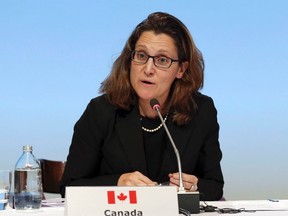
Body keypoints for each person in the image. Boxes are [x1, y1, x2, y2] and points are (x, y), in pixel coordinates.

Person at [60, 11, 224, 201]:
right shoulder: (101, 111)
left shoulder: (200, 110)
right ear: (130, 60)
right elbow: (70, 186)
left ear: (181, 69)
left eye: (162, 60)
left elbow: (214, 186)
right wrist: (118, 182)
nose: (148, 69)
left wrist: (194, 185)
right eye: (141, 55)